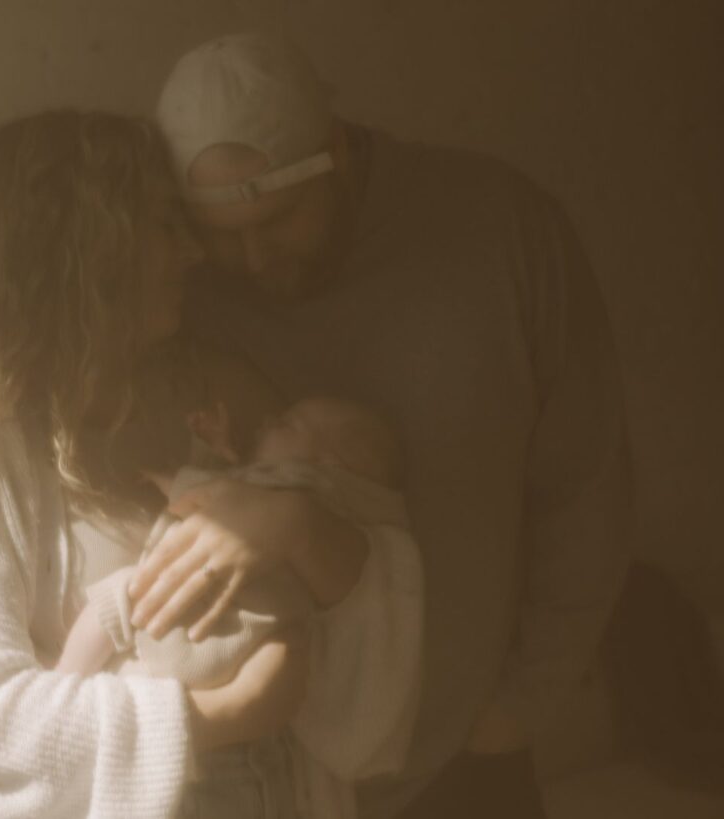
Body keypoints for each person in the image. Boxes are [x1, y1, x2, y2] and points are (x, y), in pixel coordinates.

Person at [127, 32, 633, 818]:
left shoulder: (504, 235)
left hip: (465, 763)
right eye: (223, 234)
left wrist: (514, 712)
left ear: (336, 149)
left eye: (281, 218)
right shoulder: (184, 283)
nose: (253, 257)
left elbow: (588, 495)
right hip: (259, 781)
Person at [0, 110, 316, 819]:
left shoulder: (214, 393)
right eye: (159, 224)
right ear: (81, 249)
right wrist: (226, 710)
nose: (193, 253)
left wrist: (295, 525)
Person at [58, 396, 416, 691]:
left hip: (206, 627)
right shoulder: (298, 496)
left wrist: (165, 478)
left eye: (287, 424)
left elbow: (209, 499)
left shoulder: (300, 492)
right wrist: (223, 456)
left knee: (116, 598)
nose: (267, 421)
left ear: (324, 464)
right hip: (230, 654)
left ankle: (60, 684)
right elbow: (240, 489)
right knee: (139, 678)